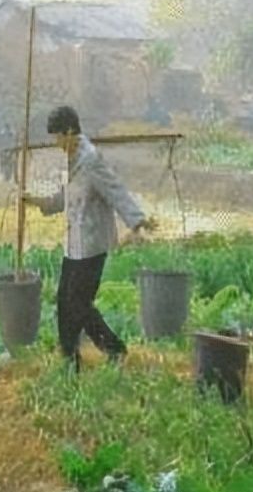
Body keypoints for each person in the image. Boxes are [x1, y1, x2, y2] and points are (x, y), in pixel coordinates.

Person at [24, 106, 155, 372]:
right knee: (64, 300)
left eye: (58, 137)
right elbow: (63, 199)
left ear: (71, 132)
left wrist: (137, 221)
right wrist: (36, 201)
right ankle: (69, 356)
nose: (57, 144)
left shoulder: (91, 159)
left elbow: (115, 190)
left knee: (79, 304)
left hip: (93, 244)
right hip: (74, 243)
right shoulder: (71, 159)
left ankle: (114, 349)